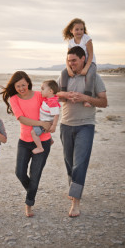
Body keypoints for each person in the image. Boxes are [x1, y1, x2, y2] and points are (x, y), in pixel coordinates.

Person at [57, 46, 107, 217]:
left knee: (80, 163)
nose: (71, 64)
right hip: (65, 125)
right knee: (69, 162)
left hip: (86, 125)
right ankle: (74, 189)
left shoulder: (94, 78)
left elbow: (104, 102)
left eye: (74, 61)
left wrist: (85, 98)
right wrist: (65, 95)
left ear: (83, 59)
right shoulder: (63, 76)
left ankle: (76, 202)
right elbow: (54, 95)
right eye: (69, 60)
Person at [0, 71, 52, 217]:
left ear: (28, 82)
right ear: (14, 87)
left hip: (43, 141)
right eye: (18, 86)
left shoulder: (39, 95)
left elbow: (49, 110)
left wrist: (49, 129)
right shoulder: (14, 98)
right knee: (20, 172)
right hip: (24, 141)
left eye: (23, 85)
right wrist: (41, 123)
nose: (21, 88)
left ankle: (29, 204)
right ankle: (32, 190)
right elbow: (21, 118)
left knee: (35, 175)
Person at [61, 18, 97, 107]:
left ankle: (87, 98)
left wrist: (86, 68)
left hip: (89, 62)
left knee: (90, 74)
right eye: (77, 29)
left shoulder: (86, 39)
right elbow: (68, 57)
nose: (80, 31)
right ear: (71, 30)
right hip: (76, 64)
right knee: (63, 73)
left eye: (82, 29)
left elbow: (91, 54)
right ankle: (64, 95)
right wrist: (69, 69)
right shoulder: (70, 42)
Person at [31, 80, 61, 154]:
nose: (41, 91)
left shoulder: (53, 102)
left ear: (50, 91)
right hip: (44, 120)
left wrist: (54, 126)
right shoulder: (48, 99)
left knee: (33, 132)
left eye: (43, 89)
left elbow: (56, 115)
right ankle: (50, 139)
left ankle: (40, 147)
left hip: (46, 122)